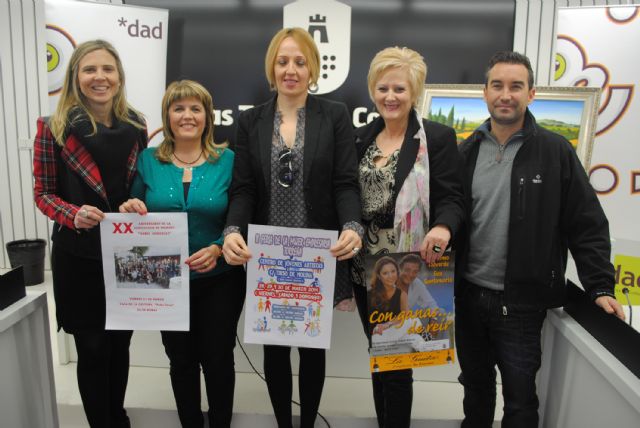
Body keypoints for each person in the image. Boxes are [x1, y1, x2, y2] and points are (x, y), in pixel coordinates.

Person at [455, 51, 625, 428]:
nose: (506, 94)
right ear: (484, 93)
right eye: (497, 85)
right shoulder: (464, 152)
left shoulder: (555, 152)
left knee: (519, 400)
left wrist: (600, 285)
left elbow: (587, 223)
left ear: (531, 94)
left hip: (522, 304)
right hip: (468, 298)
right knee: (475, 389)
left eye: (516, 86)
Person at [221, 27, 363, 428]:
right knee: (275, 347)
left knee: (312, 347)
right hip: (268, 255)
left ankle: (307, 424)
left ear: (312, 68)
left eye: (300, 61)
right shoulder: (251, 120)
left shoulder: (333, 115)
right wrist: (233, 230)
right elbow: (244, 188)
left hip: (316, 255)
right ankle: (284, 423)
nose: (291, 69)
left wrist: (351, 224)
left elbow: (344, 183)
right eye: (283, 61)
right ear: (272, 67)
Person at [32, 39, 147, 428]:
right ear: (75, 77)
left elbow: (136, 185)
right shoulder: (53, 128)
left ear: (119, 77)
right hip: (77, 255)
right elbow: (43, 193)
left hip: (126, 252)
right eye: (89, 69)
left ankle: (118, 417)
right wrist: (71, 213)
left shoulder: (137, 124)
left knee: (120, 344)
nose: (100, 77)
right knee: (93, 346)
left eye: (107, 69)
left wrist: (134, 202)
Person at [119, 80, 245, 427]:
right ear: (168, 116)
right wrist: (131, 206)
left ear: (208, 116)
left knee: (218, 360)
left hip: (220, 279)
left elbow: (241, 213)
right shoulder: (148, 160)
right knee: (180, 359)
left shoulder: (228, 160)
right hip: (165, 281)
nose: (187, 115)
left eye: (195, 108)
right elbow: (134, 211)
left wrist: (219, 247)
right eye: (178, 108)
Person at [351, 46, 464, 428]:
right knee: (379, 356)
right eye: (382, 88)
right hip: (363, 270)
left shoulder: (437, 138)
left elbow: (453, 198)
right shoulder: (359, 139)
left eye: (399, 88)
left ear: (414, 91)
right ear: (372, 91)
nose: (390, 97)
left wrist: (443, 226)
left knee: (398, 365)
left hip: (405, 266)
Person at [368, 256, 409, 336]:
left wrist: (388, 324)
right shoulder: (369, 295)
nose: (390, 276)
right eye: (385, 273)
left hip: (394, 331)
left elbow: (405, 316)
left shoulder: (402, 294)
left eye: (393, 271)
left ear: (397, 272)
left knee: (413, 322)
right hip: (376, 335)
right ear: (379, 276)